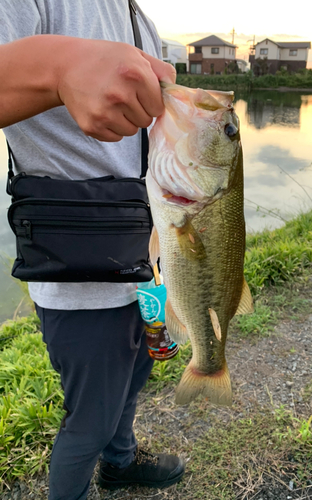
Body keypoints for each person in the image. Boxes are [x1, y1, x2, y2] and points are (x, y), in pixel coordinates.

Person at [0, 1, 185, 499]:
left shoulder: (138, 15)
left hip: (145, 261)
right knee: (91, 420)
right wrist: (57, 67)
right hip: (78, 276)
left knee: (132, 381)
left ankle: (120, 465)